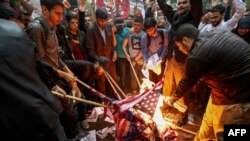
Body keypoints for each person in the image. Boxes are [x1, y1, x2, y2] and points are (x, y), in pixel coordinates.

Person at [167, 24, 250, 141]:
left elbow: (186, 83)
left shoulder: (196, 55)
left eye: (179, 46)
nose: (180, 50)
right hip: (220, 91)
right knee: (208, 124)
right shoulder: (211, 34)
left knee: (227, 134)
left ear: (185, 40)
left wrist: (172, 99)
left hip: (237, 98)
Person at [0, 19, 67, 141]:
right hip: (34, 115)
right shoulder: (18, 32)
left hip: (39, 112)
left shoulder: (11, 32)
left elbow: (36, 63)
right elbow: (37, 61)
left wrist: (52, 84)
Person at [27, 0, 82, 138]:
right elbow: (38, 62)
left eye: (62, 13)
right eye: (58, 13)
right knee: (65, 113)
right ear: (44, 9)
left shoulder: (53, 27)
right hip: (46, 81)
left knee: (73, 106)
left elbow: (55, 57)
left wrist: (68, 73)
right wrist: (62, 75)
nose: (61, 18)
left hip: (56, 77)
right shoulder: (36, 29)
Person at [86, 8, 118, 99]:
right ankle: (104, 103)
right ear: (96, 18)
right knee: (101, 84)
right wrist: (98, 61)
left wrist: (114, 51)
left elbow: (111, 43)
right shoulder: (91, 30)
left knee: (114, 81)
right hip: (99, 62)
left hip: (110, 60)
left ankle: (114, 101)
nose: (103, 23)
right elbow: (90, 50)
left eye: (105, 21)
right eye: (101, 21)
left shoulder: (108, 27)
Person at [141, 17, 169, 84]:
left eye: (151, 30)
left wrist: (161, 57)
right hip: (150, 62)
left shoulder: (164, 33)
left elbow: (165, 47)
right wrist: (145, 61)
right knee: (150, 81)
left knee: (160, 80)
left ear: (155, 26)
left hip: (160, 60)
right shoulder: (144, 38)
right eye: (148, 31)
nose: (150, 33)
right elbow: (144, 52)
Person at [122, 16, 145, 94]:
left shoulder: (144, 35)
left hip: (141, 61)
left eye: (138, 25)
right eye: (134, 24)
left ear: (142, 25)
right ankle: (135, 93)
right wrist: (127, 54)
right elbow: (123, 46)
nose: (136, 27)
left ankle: (142, 93)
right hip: (132, 60)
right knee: (133, 78)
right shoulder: (129, 33)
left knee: (142, 78)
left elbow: (143, 50)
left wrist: (136, 60)